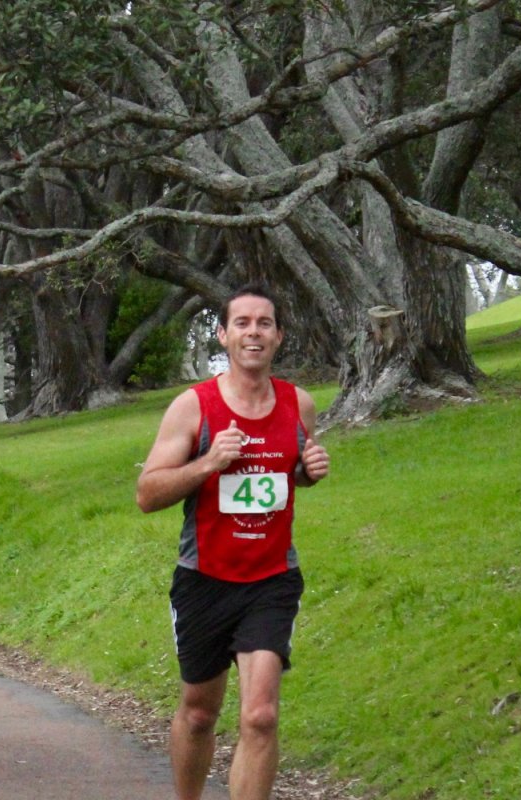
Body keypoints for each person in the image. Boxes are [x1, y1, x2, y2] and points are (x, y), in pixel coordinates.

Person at [136, 285, 331, 800]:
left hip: (271, 579)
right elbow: (147, 494)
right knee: (200, 713)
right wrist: (208, 463)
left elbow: (287, 472)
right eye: (241, 323)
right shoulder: (193, 406)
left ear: (279, 335)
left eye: (264, 323)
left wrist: (307, 472)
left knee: (261, 716)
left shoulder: (299, 404)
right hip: (204, 579)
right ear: (223, 335)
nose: (253, 332)